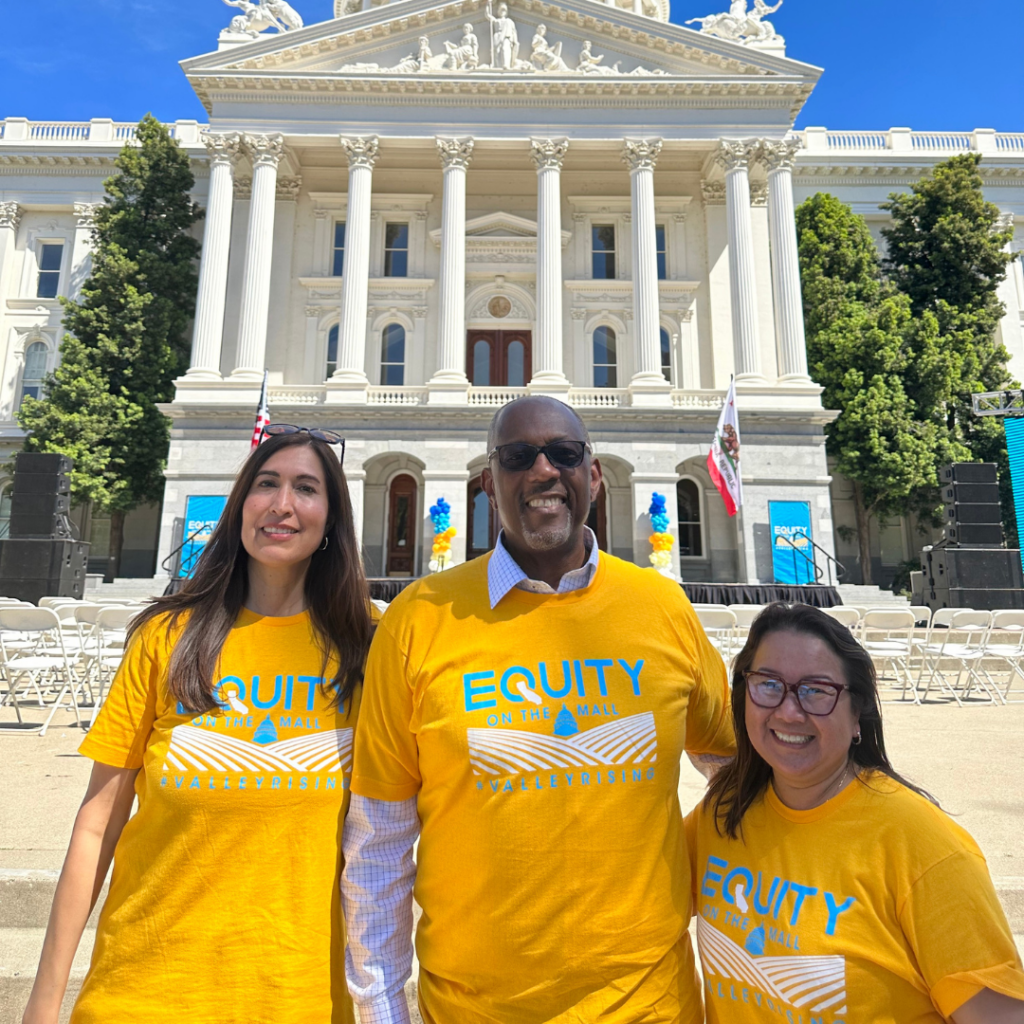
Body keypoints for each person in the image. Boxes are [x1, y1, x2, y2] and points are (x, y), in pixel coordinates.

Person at [342, 395, 735, 1024]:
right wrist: (383, 1012)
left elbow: (741, 774)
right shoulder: (419, 619)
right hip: (473, 1010)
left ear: (594, 476)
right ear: (487, 482)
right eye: (519, 456)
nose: (543, 471)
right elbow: (380, 843)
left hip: (650, 1008)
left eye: (566, 454)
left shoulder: (662, 608)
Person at [22, 426, 375, 1024]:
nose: (282, 504)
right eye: (267, 484)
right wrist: (42, 1005)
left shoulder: (369, 649)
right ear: (240, 506)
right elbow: (97, 824)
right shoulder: (167, 637)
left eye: (307, 488)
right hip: (146, 988)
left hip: (298, 996)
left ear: (331, 520)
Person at [685, 602, 1024, 1024]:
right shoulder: (724, 811)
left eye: (817, 690)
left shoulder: (923, 846)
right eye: (768, 684)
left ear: (857, 713)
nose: (789, 711)